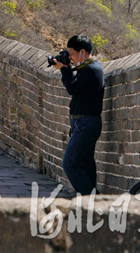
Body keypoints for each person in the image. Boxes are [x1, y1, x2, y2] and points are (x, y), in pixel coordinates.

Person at [51, 34, 105, 195]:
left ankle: (93, 199)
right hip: (82, 123)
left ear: (82, 52)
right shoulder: (86, 68)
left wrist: (64, 69)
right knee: (85, 164)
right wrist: (68, 67)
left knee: (70, 163)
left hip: (86, 123)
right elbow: (76, 87)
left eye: (71, 54)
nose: (70, 58)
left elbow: (72, 88)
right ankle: (90, 201)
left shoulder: (91, 70)